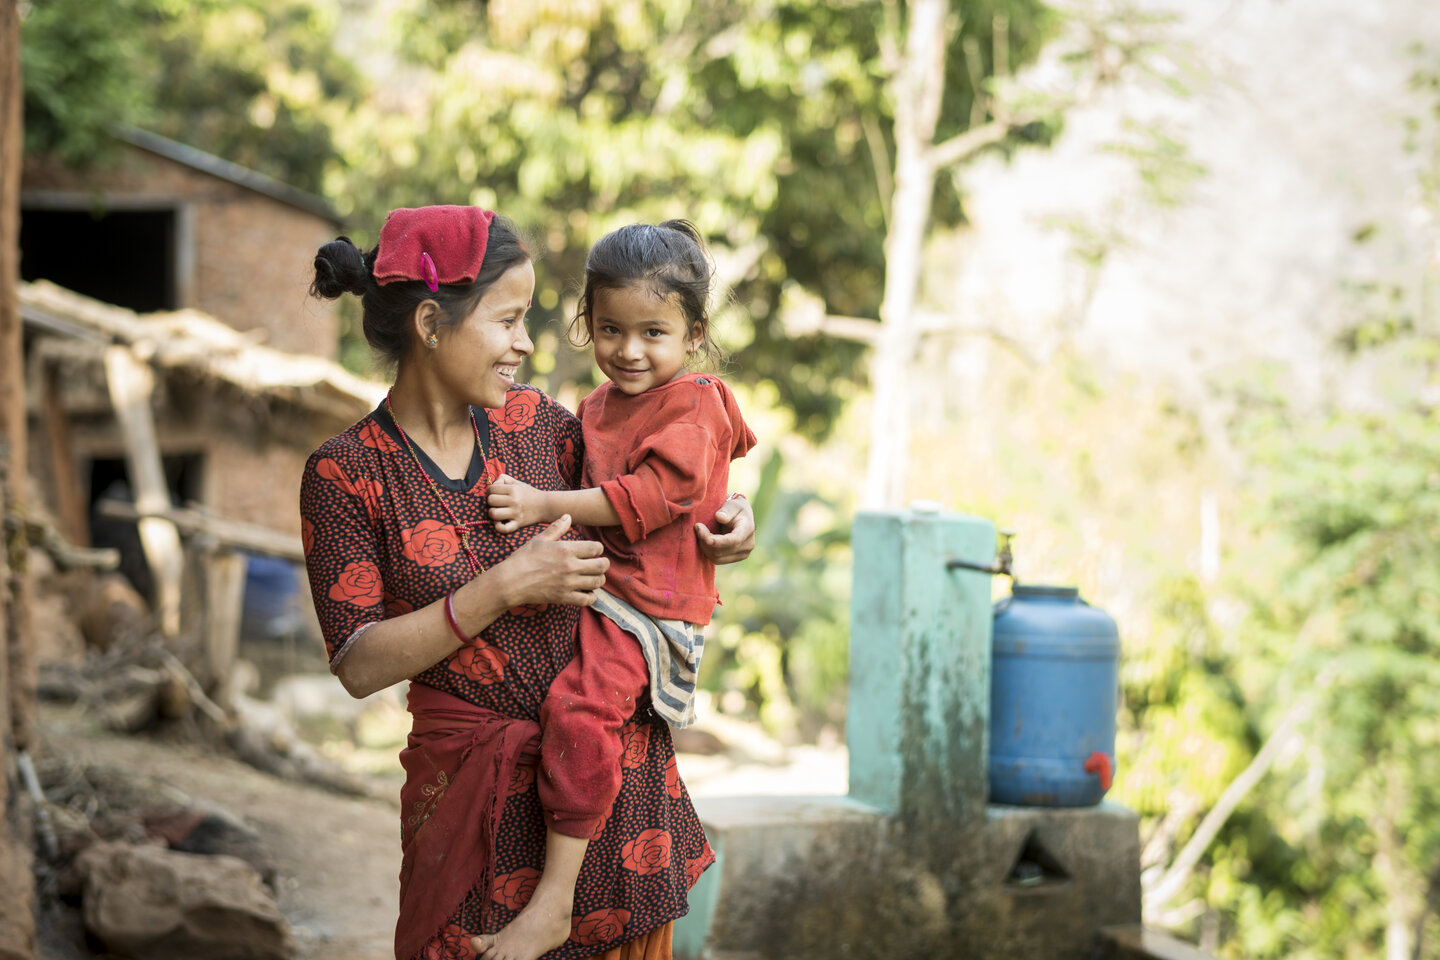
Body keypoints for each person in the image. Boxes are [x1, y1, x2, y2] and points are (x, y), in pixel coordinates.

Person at [298, 205, 755, 960]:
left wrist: (734, 515)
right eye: (507, 320)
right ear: (431, 324)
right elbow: (357, 663)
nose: (525, 343)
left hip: (613, 794)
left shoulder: (541, 426)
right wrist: (505, 586)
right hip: (470, 812)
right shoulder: (347, 475)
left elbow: (662, 483)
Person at [481, 221, 755, 960]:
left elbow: (657, 497)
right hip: (607, 593)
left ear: (694, 333)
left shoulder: (696, 401)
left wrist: (544, 503)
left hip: (647, 608)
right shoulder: (598, 405)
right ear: (585, 323)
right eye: (609, 329)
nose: (629, 350)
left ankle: (554, 903)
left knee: (577, 712)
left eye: (653, 333)